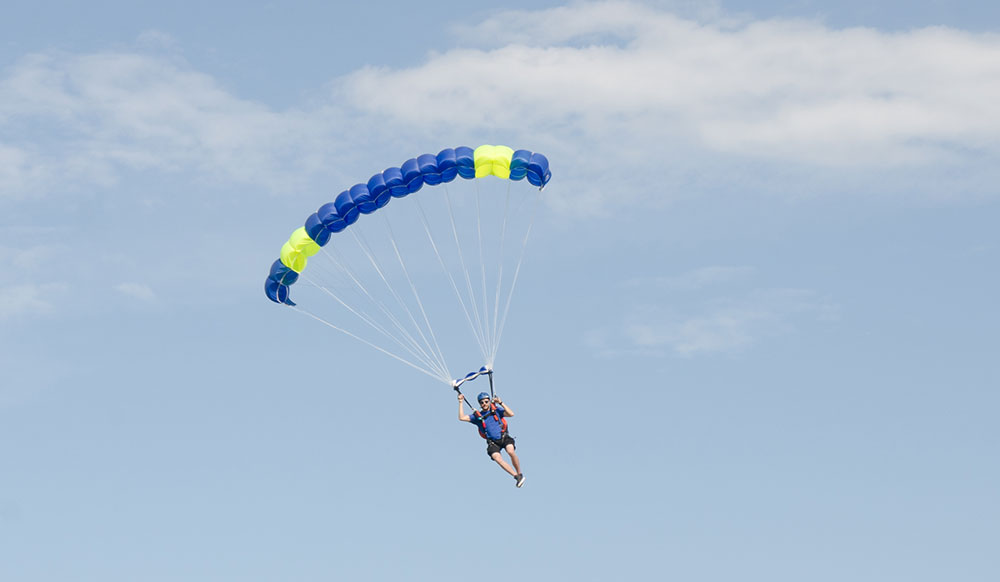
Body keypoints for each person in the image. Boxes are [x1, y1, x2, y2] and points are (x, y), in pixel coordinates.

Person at [459, 391, 525, 487]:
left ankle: (519, 473)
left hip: (504, 437)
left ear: (489, 401)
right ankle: (516, 477)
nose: (484, 404)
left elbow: (511, 414)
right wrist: (461, 402)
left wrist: (501, 403)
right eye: (482, 402)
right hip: (493, 442)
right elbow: (461, 417)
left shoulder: (496, 410)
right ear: (480, 404)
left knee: (510, 451)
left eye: (486, 401)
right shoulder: (477, 417)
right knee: (497, 458)